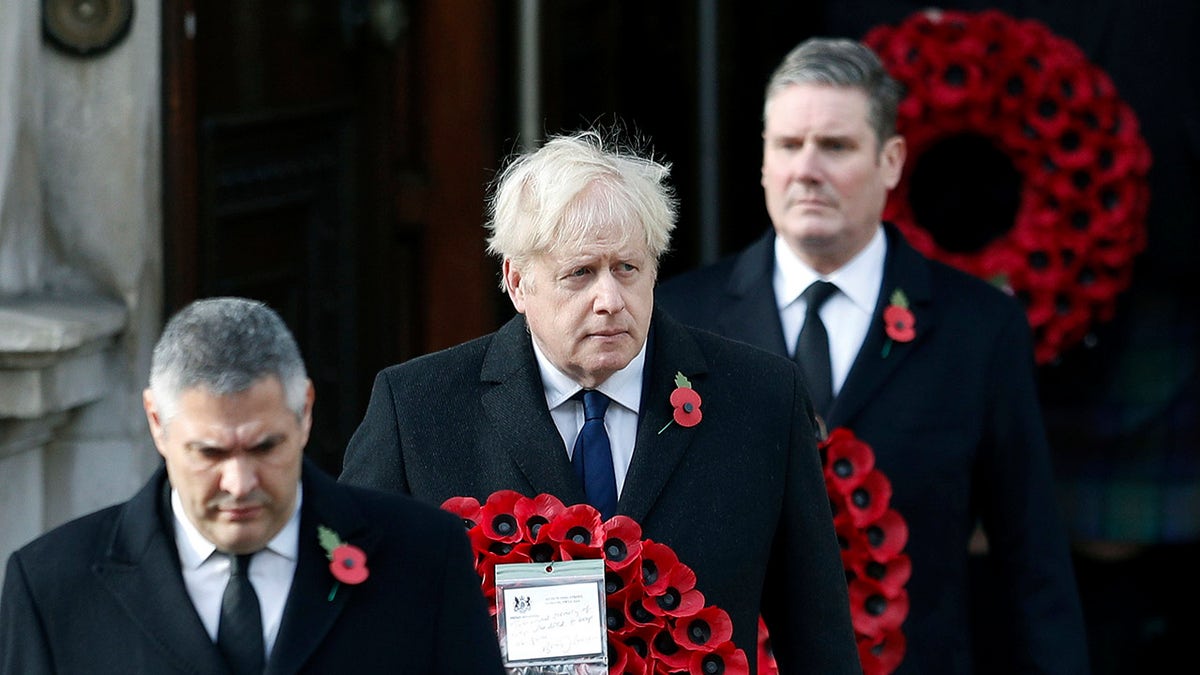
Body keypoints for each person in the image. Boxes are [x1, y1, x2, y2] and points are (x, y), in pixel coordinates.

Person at [339, 129, 862, 673]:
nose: (609, 300)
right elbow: (356, 623)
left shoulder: (761, 398)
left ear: (654, 270)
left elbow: (818, 637)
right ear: (517, 282)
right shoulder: (417, 411)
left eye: (627, 269)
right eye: (580, 273)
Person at [655, 38, 1089, 674]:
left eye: (835, 146)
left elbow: (1033, 559)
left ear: (891, 162)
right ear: (763, 164)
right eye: (787, 145)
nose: (806, 168)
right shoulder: (679, 318)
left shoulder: (980, 329)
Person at [0, 297, 505, 674]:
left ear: (305, 412)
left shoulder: (422, 557)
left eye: (265, 448)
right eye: (210, 453)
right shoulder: (53, 588)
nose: (239, 484)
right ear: (157, 421)